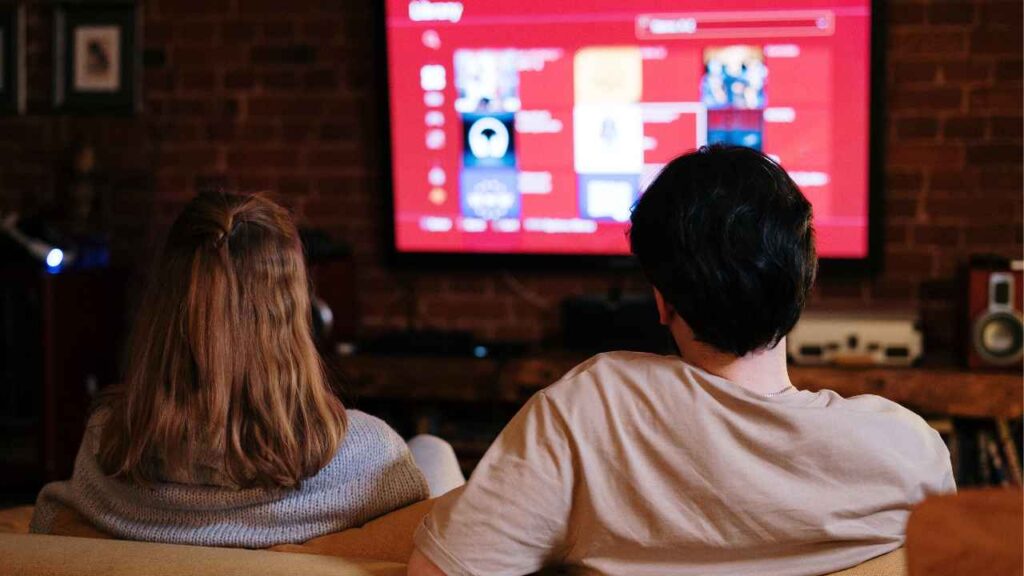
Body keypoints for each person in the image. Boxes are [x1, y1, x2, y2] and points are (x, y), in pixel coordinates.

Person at [408, 145, 955, 576]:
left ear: (663, 300)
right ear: (804, 281)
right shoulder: (913, 452)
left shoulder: (594, 408)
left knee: (427, 450)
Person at [30, 192, 463, 548]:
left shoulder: (105, 441)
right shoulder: (369, 454)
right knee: (433, 448)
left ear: (162, 310)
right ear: (295, 313)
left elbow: (54, 518)